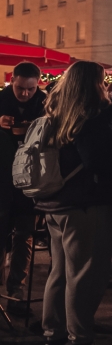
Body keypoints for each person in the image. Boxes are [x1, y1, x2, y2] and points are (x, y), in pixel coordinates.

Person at [34, 61, 112, 345]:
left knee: (60, 273)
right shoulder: (91, 115)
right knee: (85, 274)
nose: (106, 85)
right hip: (85, 204)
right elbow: (96, 161)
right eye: (102, 80)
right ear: (91, 84)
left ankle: (54, 341)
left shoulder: (55, 113)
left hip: (54, 202)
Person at [0, 61, 46, 308]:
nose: (26, 94)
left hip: (30, 183)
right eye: (20, 88)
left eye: (30, 89)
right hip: (3, 178)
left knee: (24, 236)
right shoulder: (1, 100)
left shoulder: (45, 102)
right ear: (12, 80)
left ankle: (15, 290)